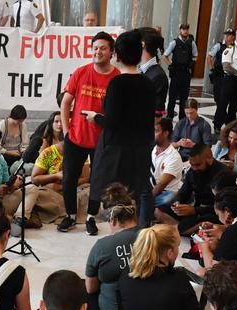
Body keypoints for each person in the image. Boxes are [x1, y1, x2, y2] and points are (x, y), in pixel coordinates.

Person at [89, 31, 156, 233]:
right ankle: (135, 235)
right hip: (142, 149)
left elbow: (112, 121)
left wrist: (95, 117)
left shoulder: (117, 83)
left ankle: (119, 237)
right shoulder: (147, 83)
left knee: (116, 200)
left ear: (117, 54)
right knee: (133, 197)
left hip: (118, 152)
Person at [57, 32, 118, 235]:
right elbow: (65, 103)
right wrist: (66, 132)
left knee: (98, 181)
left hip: (102, 141)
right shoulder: (81, 72)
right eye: (95, 48)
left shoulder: (117, 77)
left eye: (102, 48)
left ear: (111, 52)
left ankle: (91, 217)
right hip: (76, 137)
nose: (97, 52)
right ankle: (71, 216)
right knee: (69, 179)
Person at [83, 186, 139, 310]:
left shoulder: (103, 246)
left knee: (82, 287)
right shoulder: (152, 238)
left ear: (113, 220)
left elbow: (91, 288)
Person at [164, 23, 199, 121]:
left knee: (184, 96)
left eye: (187, 29)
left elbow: (196, 55)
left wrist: (192, 63)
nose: (185, 31)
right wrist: (170, 65)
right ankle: (169, 115)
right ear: (180, 30)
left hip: (186, 72)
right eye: (183, 29)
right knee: (172, 95)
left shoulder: (191, 43)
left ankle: (182, 117)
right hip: (176, 72)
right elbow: (165, 55)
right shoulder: (174, 42)